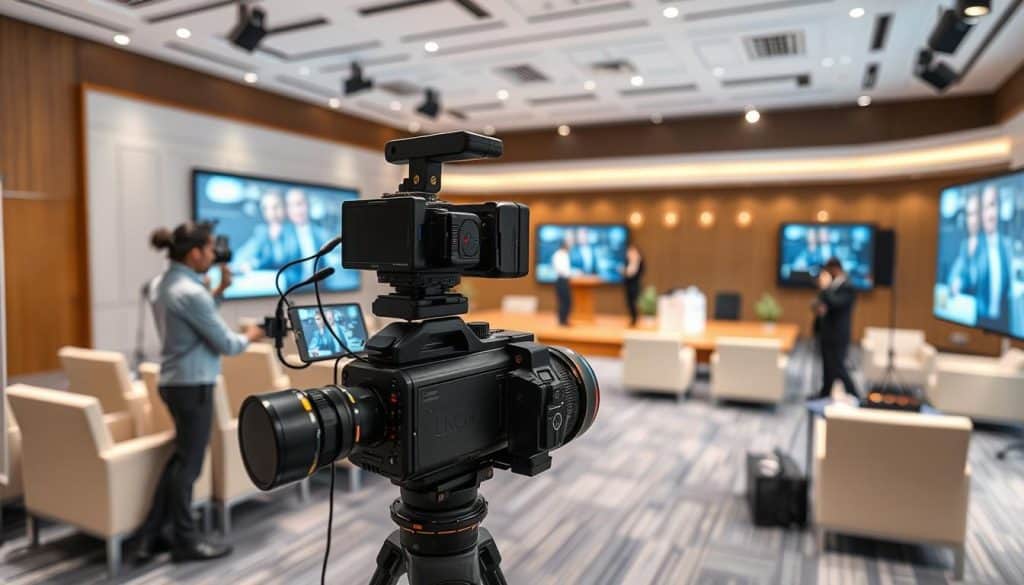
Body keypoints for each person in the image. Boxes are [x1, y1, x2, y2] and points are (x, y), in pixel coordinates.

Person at [135, 222, 264, 562]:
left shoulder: (163, 284)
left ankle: (152, 535)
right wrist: (251, 335)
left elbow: (193, 321)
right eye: (209, 249)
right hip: (193, 385)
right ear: (194, 253)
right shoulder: (190, 293)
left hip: (175, 381)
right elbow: (226, 343)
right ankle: (185, 540)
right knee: (189, 466)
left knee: (181, 460)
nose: (213, 254)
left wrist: (219, 290)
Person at [812, 258, 858, 399]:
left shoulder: (848, 286)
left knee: (838, 366)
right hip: (826, 331)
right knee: (827, 366)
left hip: (838, 333)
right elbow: (820, 302)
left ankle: (856, 396)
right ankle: (824, 394)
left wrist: (825, 288)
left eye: (828, 270)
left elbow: (836, 303)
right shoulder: (832, 285)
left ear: (836, 269)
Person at [233, 190, 300, 285]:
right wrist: (250, 263)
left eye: (276, 207)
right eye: (266, 208)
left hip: (293, 286)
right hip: (271, 286)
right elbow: (240, 258)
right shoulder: (261, 232)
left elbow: (288, 260)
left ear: (285, 208)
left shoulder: (295, 231)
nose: (272, 212)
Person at [976, 185, 1014, 332]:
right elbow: (962, 270)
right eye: (985, 208)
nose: (989, 214)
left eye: (992, 205)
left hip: (1003, 323)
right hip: (980, 319)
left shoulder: (1006, 245)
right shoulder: (974, 245)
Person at [285, 188, 332, 281]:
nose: (296, 210)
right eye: (291, 205)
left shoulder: (320, 233)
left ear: (308, 205)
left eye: (299, 204)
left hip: (319, 287)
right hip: (292, 289)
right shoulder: (281, 233)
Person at [948, 189, 983, 297]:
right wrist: (956, 281)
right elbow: (958, 269)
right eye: (969, 215)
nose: (972, 220)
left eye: (975, 214)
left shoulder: (992, 245)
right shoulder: (965, 244)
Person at [621, 244, 645, 327]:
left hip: (634, 286)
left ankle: (635, 319)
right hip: (627, 286)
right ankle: (633, 319)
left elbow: (635, 273)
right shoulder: (627, 261)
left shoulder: (639, 261)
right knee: (629, 303)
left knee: (633, 303)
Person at [553, 236, 573, 326]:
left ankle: (564, 320)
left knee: (567, 301)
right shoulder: (559, 255)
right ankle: (562, 321)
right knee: (564, 301)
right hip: (561, 281)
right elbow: (561, 270)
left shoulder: (565, 254)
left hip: (565, 281)